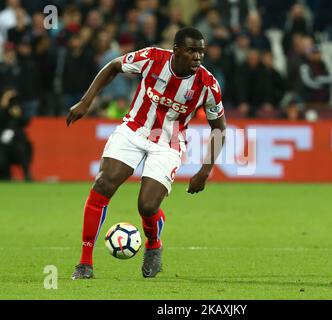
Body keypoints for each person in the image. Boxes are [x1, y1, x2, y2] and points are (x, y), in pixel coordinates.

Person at [67, 27, 226, 280]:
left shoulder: (208, 84)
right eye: (192, 50)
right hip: (134, 130)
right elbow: (113, 66)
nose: (198, 57)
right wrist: (87, 101)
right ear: (176, 50)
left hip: (168, 143)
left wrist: (205, 171)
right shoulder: (152, 58)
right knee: (103, 184)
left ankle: (153, 244)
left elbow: (219, 128)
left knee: (147, 205)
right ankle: (85, 262)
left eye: (201, 52)